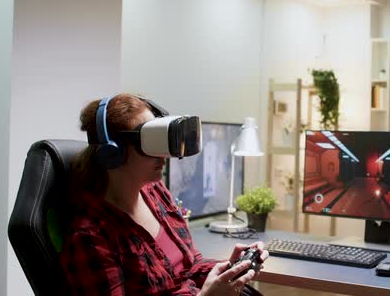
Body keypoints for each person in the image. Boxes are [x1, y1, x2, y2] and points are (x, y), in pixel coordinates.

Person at [60, 93, 268, 296]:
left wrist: (229, 270)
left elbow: (191, 264)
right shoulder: (91, 237)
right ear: (112, 152)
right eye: (149, 144)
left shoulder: (156, 193)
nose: (164, 154)